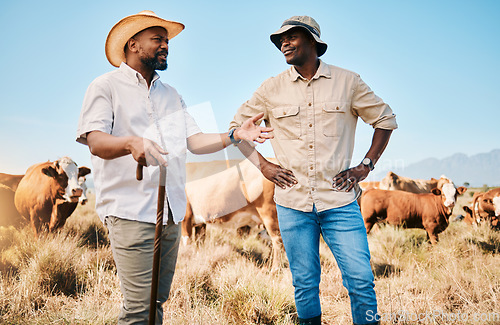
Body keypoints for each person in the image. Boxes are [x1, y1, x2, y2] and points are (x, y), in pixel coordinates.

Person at [76, 10, 273, 325]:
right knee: (138, 308)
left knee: (156, 301)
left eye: (166, 40)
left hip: (169, 210)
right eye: (158, 39)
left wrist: (236, 135)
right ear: (133, 44)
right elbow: (96, 140)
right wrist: (131, 143)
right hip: (129, 210)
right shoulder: (105, 86)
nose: (166, 45)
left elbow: (195, 141)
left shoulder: (172, 95)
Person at [229, 16, 397, 325]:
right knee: (305, 285)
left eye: (291, 37)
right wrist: (263, 165)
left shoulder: (349, 82)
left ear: (312, 42)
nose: (284, 43)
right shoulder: (270, 89)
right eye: (280, 40)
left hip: (341, 202)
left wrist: (366, 165)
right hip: (292, 205)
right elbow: (235, 130)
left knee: (361, 281)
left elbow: (385, 120)